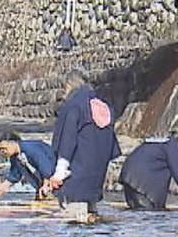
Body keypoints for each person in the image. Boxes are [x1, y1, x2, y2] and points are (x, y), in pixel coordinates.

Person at [42, 73, 121, 221]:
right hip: (95, 183)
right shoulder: (104, 107)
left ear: (68, 87)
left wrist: (58, 174)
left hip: (75, 183)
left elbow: (67, 143)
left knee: (72, 230)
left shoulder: (74, 107)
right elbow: (112, 149)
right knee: (93, 234)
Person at [119, 135, 178, 210]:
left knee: (136, 209)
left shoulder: (162, 143)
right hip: (140, 182)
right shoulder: (173, 146)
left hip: (129, 177)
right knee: (147, 212)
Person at [0, 132, 55, 202]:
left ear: (13, 143)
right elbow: (12, 178)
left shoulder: (30, 149)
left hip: (55, 180)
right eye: (0, 150)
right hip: (43, 185)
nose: (3, 152)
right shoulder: (15, 158)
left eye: (4, 148)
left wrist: (45, 185)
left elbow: (45, 165)